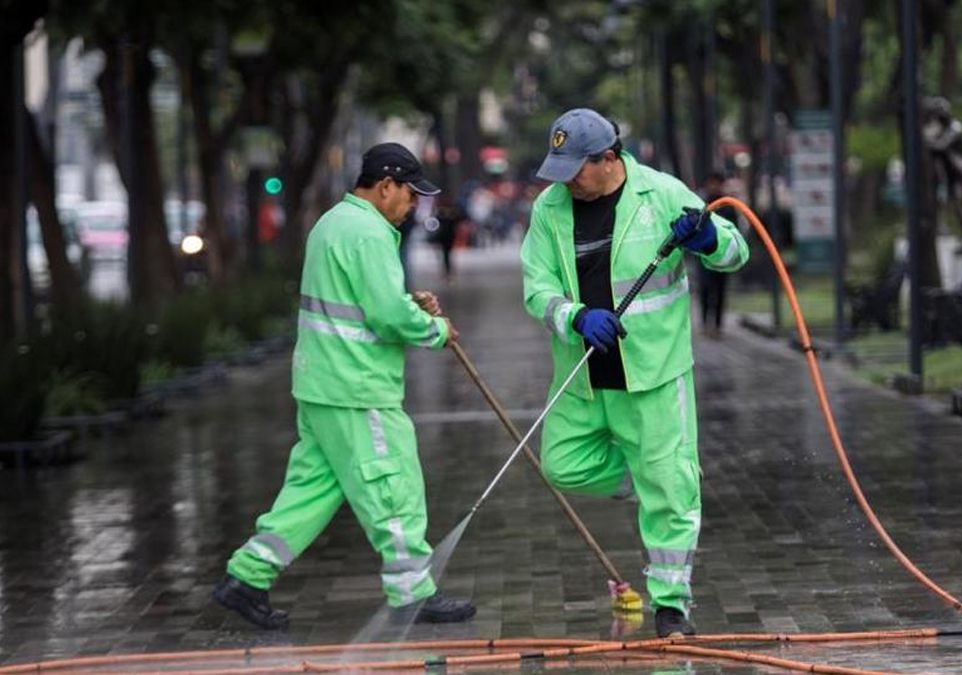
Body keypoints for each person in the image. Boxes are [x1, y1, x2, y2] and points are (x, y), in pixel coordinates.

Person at [212, 142, 476, 630]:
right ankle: (413, 591)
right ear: (385, 186)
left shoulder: (333, 222)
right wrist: (434, 329)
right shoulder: (369, 234)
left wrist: (405, 301)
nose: (413, 204)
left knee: (310, 490)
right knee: (394, 485)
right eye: (410, 194)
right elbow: (385, 315)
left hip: (320, 383)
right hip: (358, 388)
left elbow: (356, 298)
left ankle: (247, 576)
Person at [520, 108, 748, 638]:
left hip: (654, 375)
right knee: (561, 466)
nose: (566, 182)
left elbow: (736, 252)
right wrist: (574, 316)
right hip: (582, 375)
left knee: (669, 490)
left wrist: (707, 239)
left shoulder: (664, 194)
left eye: (576, 169)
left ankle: (671, 606)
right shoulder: (549, 210)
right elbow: (536, 288)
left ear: (609, 158)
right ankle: (658, 479)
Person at [921, 96, 962, 252]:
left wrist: (927, 139)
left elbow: (940, 145)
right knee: (957, 209)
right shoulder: (938, 128)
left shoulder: (955, 128)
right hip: (949, 175)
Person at [697, 172, 738, 338]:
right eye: (711, 183)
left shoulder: (727, 205)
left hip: (722, 257)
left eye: (717, 183)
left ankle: (718, 325)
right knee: (705, 290)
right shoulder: (700, 203)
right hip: (704, 255)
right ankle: (706, 323)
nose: (713, 186)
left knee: (720, 291)